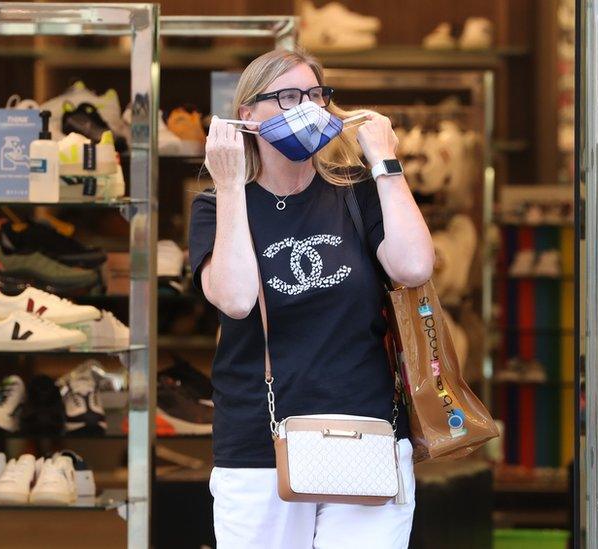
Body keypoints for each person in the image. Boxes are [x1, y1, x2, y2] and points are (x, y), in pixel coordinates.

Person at [188, 48, 435, 548]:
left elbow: (413, 266)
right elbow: (235, 299)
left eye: (315, 95)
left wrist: (386, 163)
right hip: (259, 446)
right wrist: (232, 184)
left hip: (365, 435)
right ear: (247, 115)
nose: (305, 107)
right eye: (285, 96)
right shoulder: (216, 207)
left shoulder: (356, 193)